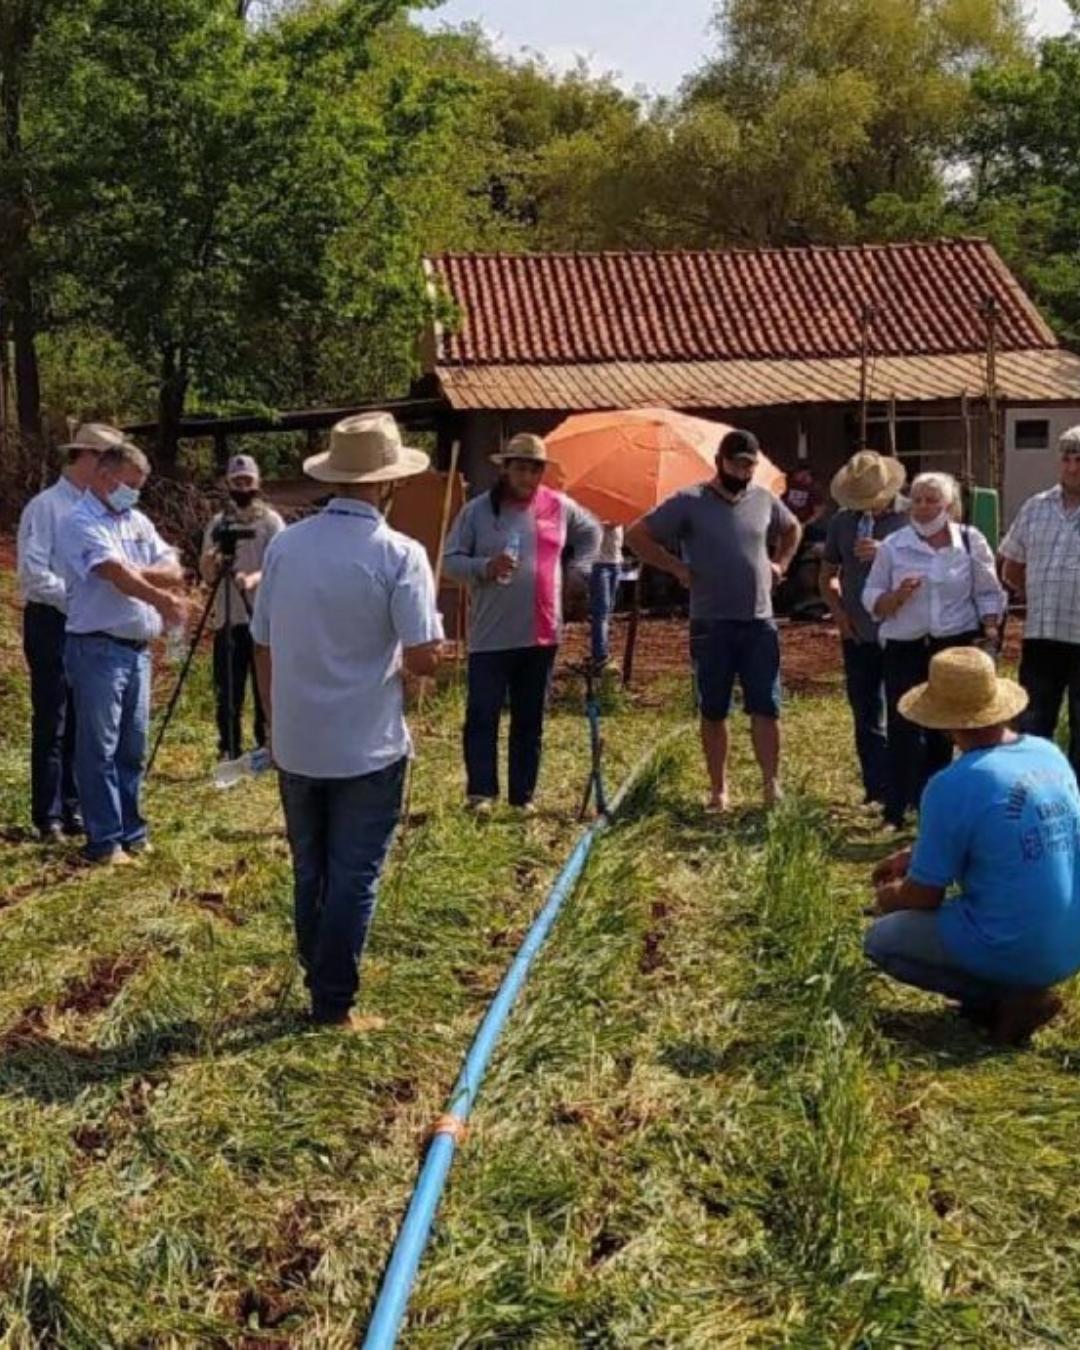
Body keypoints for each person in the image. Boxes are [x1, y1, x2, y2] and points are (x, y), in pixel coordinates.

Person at [252, 413, 442, 1031]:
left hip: (298, 738)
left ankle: (318, 972)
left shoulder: (286, 545)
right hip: (366, 744)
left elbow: (263, 642)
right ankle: (333, 1002)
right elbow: (420, 658)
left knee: (312, 868)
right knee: (354, 874)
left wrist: (275, 720)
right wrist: (433, 655)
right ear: (387, 484)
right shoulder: (401, 555)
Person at [864, 647, 1080, 1046]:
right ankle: (1018, 989)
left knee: (883, 939)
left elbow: (924, 896)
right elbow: (1007, 830)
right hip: (1070, 942)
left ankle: (1006, 997)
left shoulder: (952, 784)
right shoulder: (1048, 754)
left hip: (1018, 944)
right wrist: (915, 855)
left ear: (945, 724)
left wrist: (888, 897)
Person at [626, 428, 802, 812]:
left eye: (750, 465)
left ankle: (771, 785)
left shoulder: (763, 499)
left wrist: (781, 563)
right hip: (712, 623)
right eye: (738, 464)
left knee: (766, 706)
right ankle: (719, 788)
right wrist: (675, 567)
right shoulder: (690, 502)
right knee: (713, 708)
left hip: (759, 622)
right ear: (721, 462)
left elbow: (792, 529)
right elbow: (637, 535)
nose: (744, 472)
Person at [443, 433, 601, 813]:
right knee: (483, 714)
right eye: (519, 467)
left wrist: (579, 568)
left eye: (534, 468)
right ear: (506, 469)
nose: (527, 476)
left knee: (530, 719)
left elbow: (593, 531)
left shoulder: (559, 507)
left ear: (541, 472)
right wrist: (485, 566)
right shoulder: (478, 512)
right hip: (491, 633)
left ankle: (522, 797)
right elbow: (450, 561)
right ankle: (481, 792)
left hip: (542, 630)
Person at [60, 440, 186, 864]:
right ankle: (104, 841)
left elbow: (174, 568)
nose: (134, 493)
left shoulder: (136, 521)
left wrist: (134, 572)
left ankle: (132, 831)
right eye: (129, 484)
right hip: (97, 649)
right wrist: (158, 597)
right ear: (104, 476)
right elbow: (111, 573)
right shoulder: (79, 521)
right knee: (100, 748)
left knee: (132, 747)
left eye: (138, 487)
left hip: (136, 652)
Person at [862, 472, 1005, 830]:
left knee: (946, 728)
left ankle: (935, 807)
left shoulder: (970, 542)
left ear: (948, 505)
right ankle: (895, 809)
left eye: (932, 500)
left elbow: (989, 591)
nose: (924, 507)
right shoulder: (894, 545)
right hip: (905, 645)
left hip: (951, 646)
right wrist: (895, 597)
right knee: (903, 724)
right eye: (918, 500)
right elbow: (870, 597)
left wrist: (989, 628)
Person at [16, 422, 114, 841]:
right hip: (53, 620)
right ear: (85, 458)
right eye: (106, 461)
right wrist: (78, 599)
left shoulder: (99, 509)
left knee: (80, 716)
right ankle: (48, 813)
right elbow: (33, 573)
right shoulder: (46, 507)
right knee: (53, 717)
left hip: (86, 622)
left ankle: (74, 807)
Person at [820, 450, 907, 809]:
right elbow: (827, 576)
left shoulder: (913, 517)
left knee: (905, 712)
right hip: (858, 633)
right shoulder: (843, 522)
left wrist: (887, 551)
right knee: (866, 713)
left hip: (903, 632)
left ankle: (906, 792)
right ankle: (876, 789)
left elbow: (933, 565)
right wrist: (839, 614)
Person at [1000, 425, 1080, 779]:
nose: (1074, 467)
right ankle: (1033, 799)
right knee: (1033, 725)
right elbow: (1011, 567)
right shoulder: (1036, 506)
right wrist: (1038, 597)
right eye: (1067, 458)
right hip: (1042, 635)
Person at [199, 454, 284, 760]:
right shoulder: (219, 523)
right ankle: (229, 746)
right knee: (228, 688)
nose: (243, 486)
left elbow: (280, 566)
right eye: (237, 482)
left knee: (266, 683)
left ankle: (267, 741)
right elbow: (206, 575)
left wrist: (253, 578)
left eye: (248, 481)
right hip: (228, 616)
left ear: (258, 482)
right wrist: (213, 558)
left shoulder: (271, 522)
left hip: (263, 617)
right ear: (228, 484)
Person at [589, 521, 624, 668]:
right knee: (601, 612)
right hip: (598, 563)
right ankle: (600, 656)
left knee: (608, 611)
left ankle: (602, 650)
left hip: (615, 562)